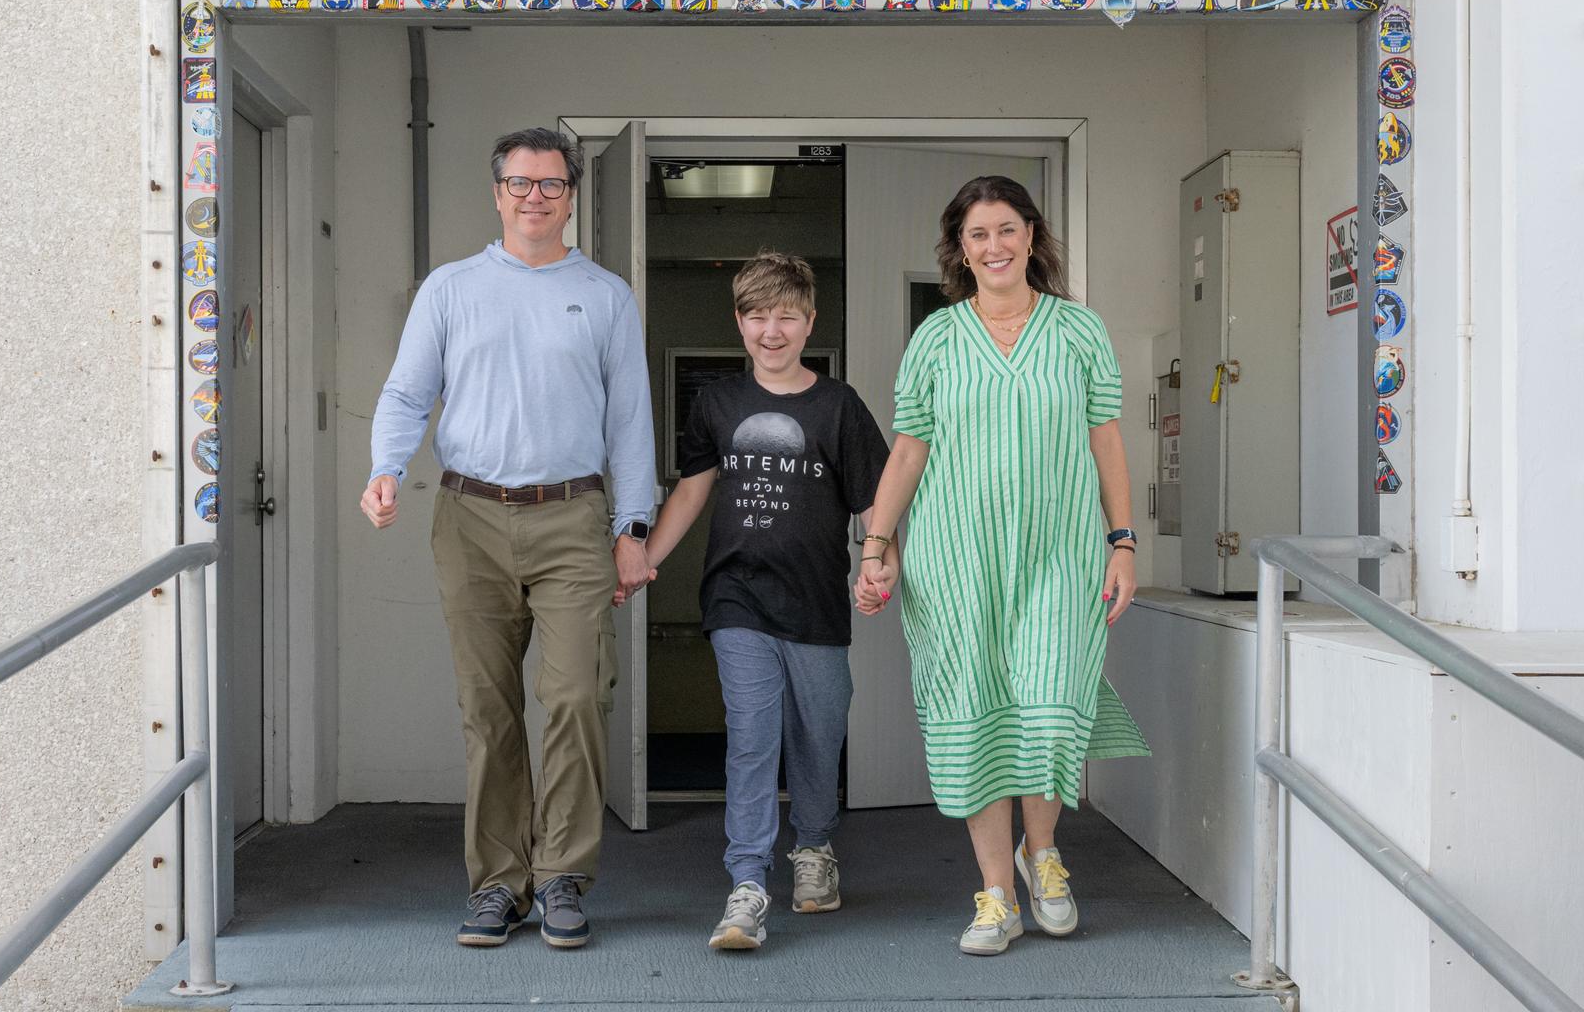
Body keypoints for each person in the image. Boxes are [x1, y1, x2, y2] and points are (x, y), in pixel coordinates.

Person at [360, 126, 656, 950]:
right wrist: (386, 467)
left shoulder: (604, 295)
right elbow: (407, 391)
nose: (535, 197)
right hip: (470, 518)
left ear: (570, 196)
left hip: (573, 518)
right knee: (487, 711)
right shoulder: (449, 290)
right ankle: (499, 885)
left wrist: (633, 528)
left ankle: (561, 877)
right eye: (520, 183)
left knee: (572, 699)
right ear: (496, 194)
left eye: (551, 184)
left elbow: (630, 421)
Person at [854, 175, 1149, 956]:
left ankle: (1041, 856)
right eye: (977, 234)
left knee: (1049, 710)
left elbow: (1105, 441)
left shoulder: (1079, 331)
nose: (994, 246)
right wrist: (877, 547)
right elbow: (908, 449)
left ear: (1031, 236)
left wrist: (1122, 541)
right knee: (973, 718)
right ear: (959, 248)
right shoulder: (937, 339)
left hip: (1059, 553)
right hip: (954, 559)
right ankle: (993, 895)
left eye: (1006, 229)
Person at [644, 251, 889, 951]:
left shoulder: (837, 406)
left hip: (815, 604)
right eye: (756, 315)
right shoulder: (717, 402)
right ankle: (745, 883)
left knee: (819, 734)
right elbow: (691, 490)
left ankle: (812, 848)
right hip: (735, 597)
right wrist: (641, 561)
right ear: (739, 321)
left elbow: (874, 503)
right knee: (751, 737)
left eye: (785, 315)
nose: (770, 330)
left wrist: (878, 563)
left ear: (809, 321)